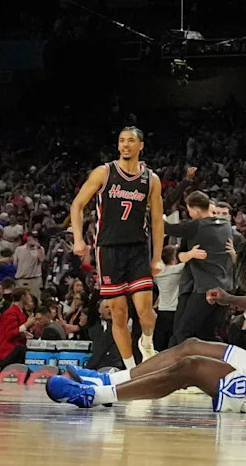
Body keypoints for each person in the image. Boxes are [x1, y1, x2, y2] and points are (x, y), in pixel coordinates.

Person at [46, 237, 246, 413]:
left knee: (189, 367)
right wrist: (230, 299)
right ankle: (110, 379)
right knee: (190, 346)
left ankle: (95, 395)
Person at [70, 126, 164, 369]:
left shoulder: (151, 179)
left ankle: (147, 341)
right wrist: (79, 239)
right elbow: (77, 205)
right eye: (121, 140)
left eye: (131, 141)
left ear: (140, 145)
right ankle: (130, 368)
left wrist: (157, 257)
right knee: (118, 314)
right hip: (108, 249)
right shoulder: (104, 172)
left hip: (137, 250)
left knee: (145, 311)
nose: (125, 145)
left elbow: (156, 221)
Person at [165, 190, 234, 344]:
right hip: (225, 286)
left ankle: (189, 366)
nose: (189, 214)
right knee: (208, 333)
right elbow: (181, 255)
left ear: (195, 209)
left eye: (189, 210)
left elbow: (167, 228)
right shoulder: (226, 224)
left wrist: (153, 210)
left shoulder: (196, 226)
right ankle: (224, 363)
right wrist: (189, 254)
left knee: (183, 332)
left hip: (205, 288)